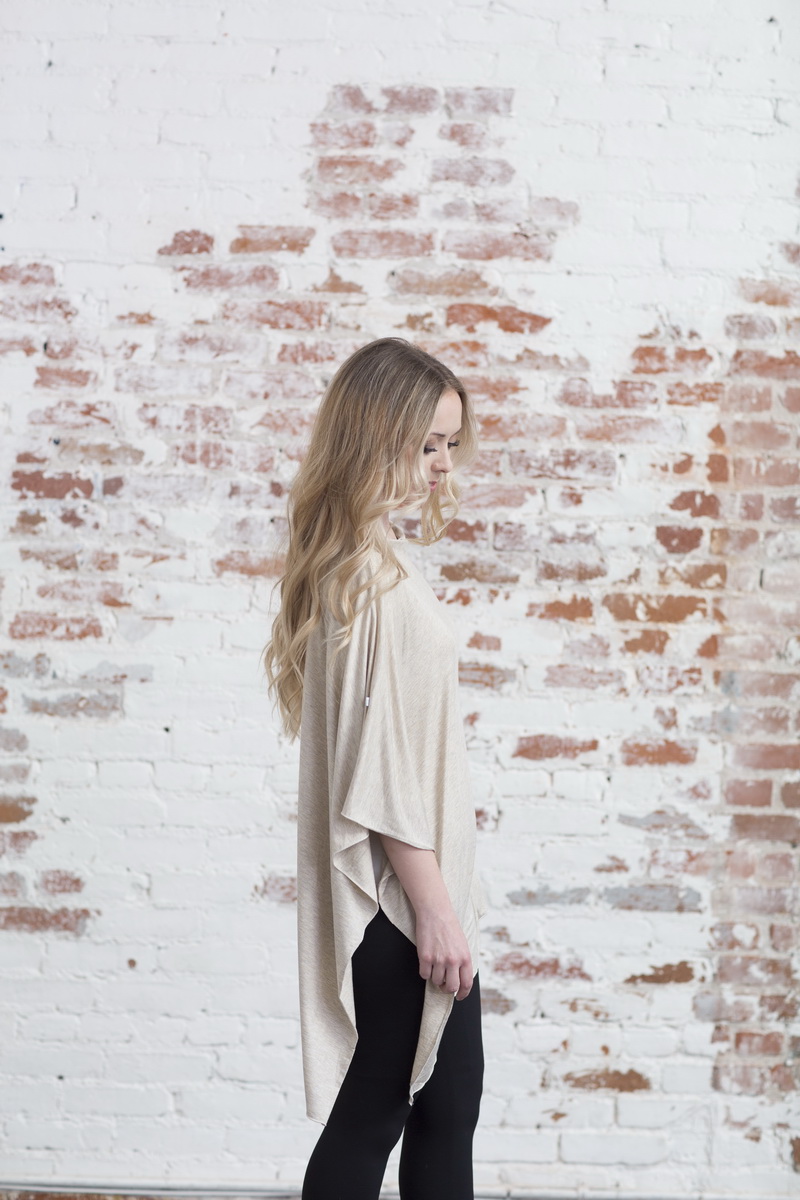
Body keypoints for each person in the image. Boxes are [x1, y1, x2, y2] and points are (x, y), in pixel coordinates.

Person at [263, 337, 486, 1200]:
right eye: (425, 444)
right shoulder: (368, 581)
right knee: (379, 1112)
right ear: (374, 437)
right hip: (402, 902)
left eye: (449, 444)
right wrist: (435, 912)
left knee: (443, 1105)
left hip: (417, 894)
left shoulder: (365, 564)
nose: (442, 465)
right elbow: (379, 774)